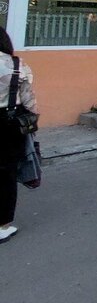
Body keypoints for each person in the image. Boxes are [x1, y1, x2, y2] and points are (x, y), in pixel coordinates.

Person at [1, 26, 37, 244]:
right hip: (8, 124)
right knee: (6, 174)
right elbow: (29, 101)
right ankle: (2, 226)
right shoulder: (17, 65)